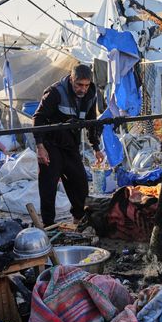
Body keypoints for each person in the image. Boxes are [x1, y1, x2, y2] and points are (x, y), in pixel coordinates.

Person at [33, 64, 104, 226]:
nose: (83, 89)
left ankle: (79, 219)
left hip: (71, 145)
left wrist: (96, 148)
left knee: (80, 184)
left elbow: (91, 122)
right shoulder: (55, 92)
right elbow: (38, 118)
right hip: (51, 145)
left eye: (86, 85)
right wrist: (40, 147)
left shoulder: (92, 94)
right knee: (48, 186)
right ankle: (48, 224)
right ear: (71, 79)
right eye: (79, 85)